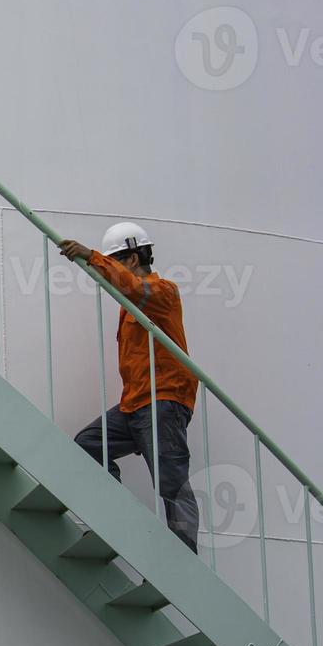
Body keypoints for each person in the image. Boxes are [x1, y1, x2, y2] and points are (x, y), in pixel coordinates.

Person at [58, 223, 201, 554]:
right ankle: (122, 519)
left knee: (171, 482)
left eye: (117, 261)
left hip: (163, 401)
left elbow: (135, 289)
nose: (113, 269)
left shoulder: (162, 292)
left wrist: (92, 258)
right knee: (89, 444)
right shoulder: (132, 302)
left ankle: (185, 558)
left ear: (134, 258)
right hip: (135, 404)